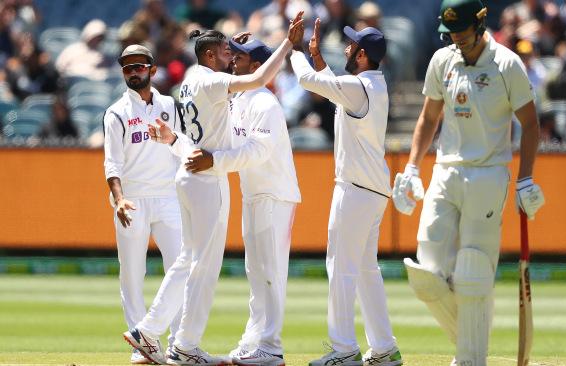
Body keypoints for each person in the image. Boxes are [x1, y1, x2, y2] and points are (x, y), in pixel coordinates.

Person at [123, 12, 305, 365]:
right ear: (210, 55)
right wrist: (287, 44)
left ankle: (150, 332)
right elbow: (261, 76)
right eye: (226, 53)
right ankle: (183, 346)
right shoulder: (215, 83)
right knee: (203, 268)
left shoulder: (191, 77)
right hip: (207, 180)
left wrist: (174, 139)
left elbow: (204, 134)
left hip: (191, 172)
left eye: (235, 54)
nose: (231, 59)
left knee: (188, 261)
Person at [391, 0, 545, 365]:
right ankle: (473, 345)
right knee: (425, 271)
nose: (456, 39)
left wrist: (526, 179)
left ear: (479, 25)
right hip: (446, 170)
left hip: (489, 173)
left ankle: (470, 359)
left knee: (474, 269)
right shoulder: (442, 60)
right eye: (450, 33)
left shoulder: (507, 64)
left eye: (461, 32)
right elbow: (429, 119)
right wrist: (413, 167)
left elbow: (531, 124)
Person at [290, 18, 402, 366]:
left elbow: (309, 81)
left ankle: (344, 350)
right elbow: (331, 84)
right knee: (366, 269)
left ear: (363, 54)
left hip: (354, 190)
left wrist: (294, 50)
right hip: (371, 191)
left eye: (353, 45)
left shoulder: (358, 87)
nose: (347, 48)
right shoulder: (371, 84)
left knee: (340, 267)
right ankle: (383, 347)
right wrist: (318, 58)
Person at [190, 37, 301, 366]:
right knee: (256, 272)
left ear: (257, 66)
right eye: (233, 55)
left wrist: (216, 161)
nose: (233, 61)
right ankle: (254, 341)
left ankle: (272, 347)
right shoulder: (239, 98)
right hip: (253, 194)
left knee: (271, 272)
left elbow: (258, 151)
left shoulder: (264, 102)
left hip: (275, 194)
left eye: (240, 57)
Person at [103, 44, 183, 365]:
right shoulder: (116, 112)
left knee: (180, 267)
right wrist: (120, 199)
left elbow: (182, 148)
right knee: (132, 273)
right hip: (132, 199)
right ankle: (143, 346)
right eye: (127, 68)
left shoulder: (169, 105)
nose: (133, 72)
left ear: (152, 69)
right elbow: (112, 164)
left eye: (139, 67)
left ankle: (179, 343)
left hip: (168, 197)